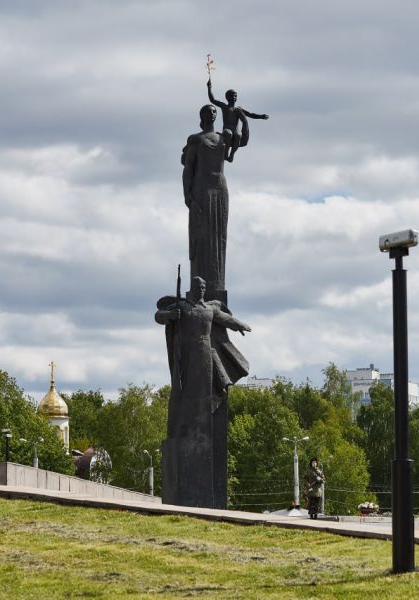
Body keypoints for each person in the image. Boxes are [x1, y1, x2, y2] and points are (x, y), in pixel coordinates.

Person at [155, 276, 250, 508]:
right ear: (192, 288)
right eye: (199, 286)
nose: (202, 289)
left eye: (204, 287)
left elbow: (226, 319)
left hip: (205, 353)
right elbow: (158, 315)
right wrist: (170, 315)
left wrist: (240, 325)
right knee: (187, 395)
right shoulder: (183, 306)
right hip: (187, 355)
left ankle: (200, 425)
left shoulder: (209, 308)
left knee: (206, 394)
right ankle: (188, 428)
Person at [182, 105, 230, 298]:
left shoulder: (223, 137)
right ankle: (199, 285)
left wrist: (241, 117)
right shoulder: (195, 139)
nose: (212, 113)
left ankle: (217, 284)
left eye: (214, 111)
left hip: (220, 189)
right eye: (208, 111)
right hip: (202, 188)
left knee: (219, 236)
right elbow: (188, 168)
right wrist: (188, 195)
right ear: (201, 115)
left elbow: (241, 139)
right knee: (202, 234)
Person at [207, 80, 269, 162]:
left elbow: (250, 114)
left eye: (235, 96)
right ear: (227, 97)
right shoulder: (224, 106)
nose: (233, 97)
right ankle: (226, 153)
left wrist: (260, 116)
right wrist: (209, 88)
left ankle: (232, 154)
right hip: (227, 129)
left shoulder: (238, 109)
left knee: (238, 135)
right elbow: (212, 100)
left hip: (235, 130)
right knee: (228, 133)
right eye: (231, 96)